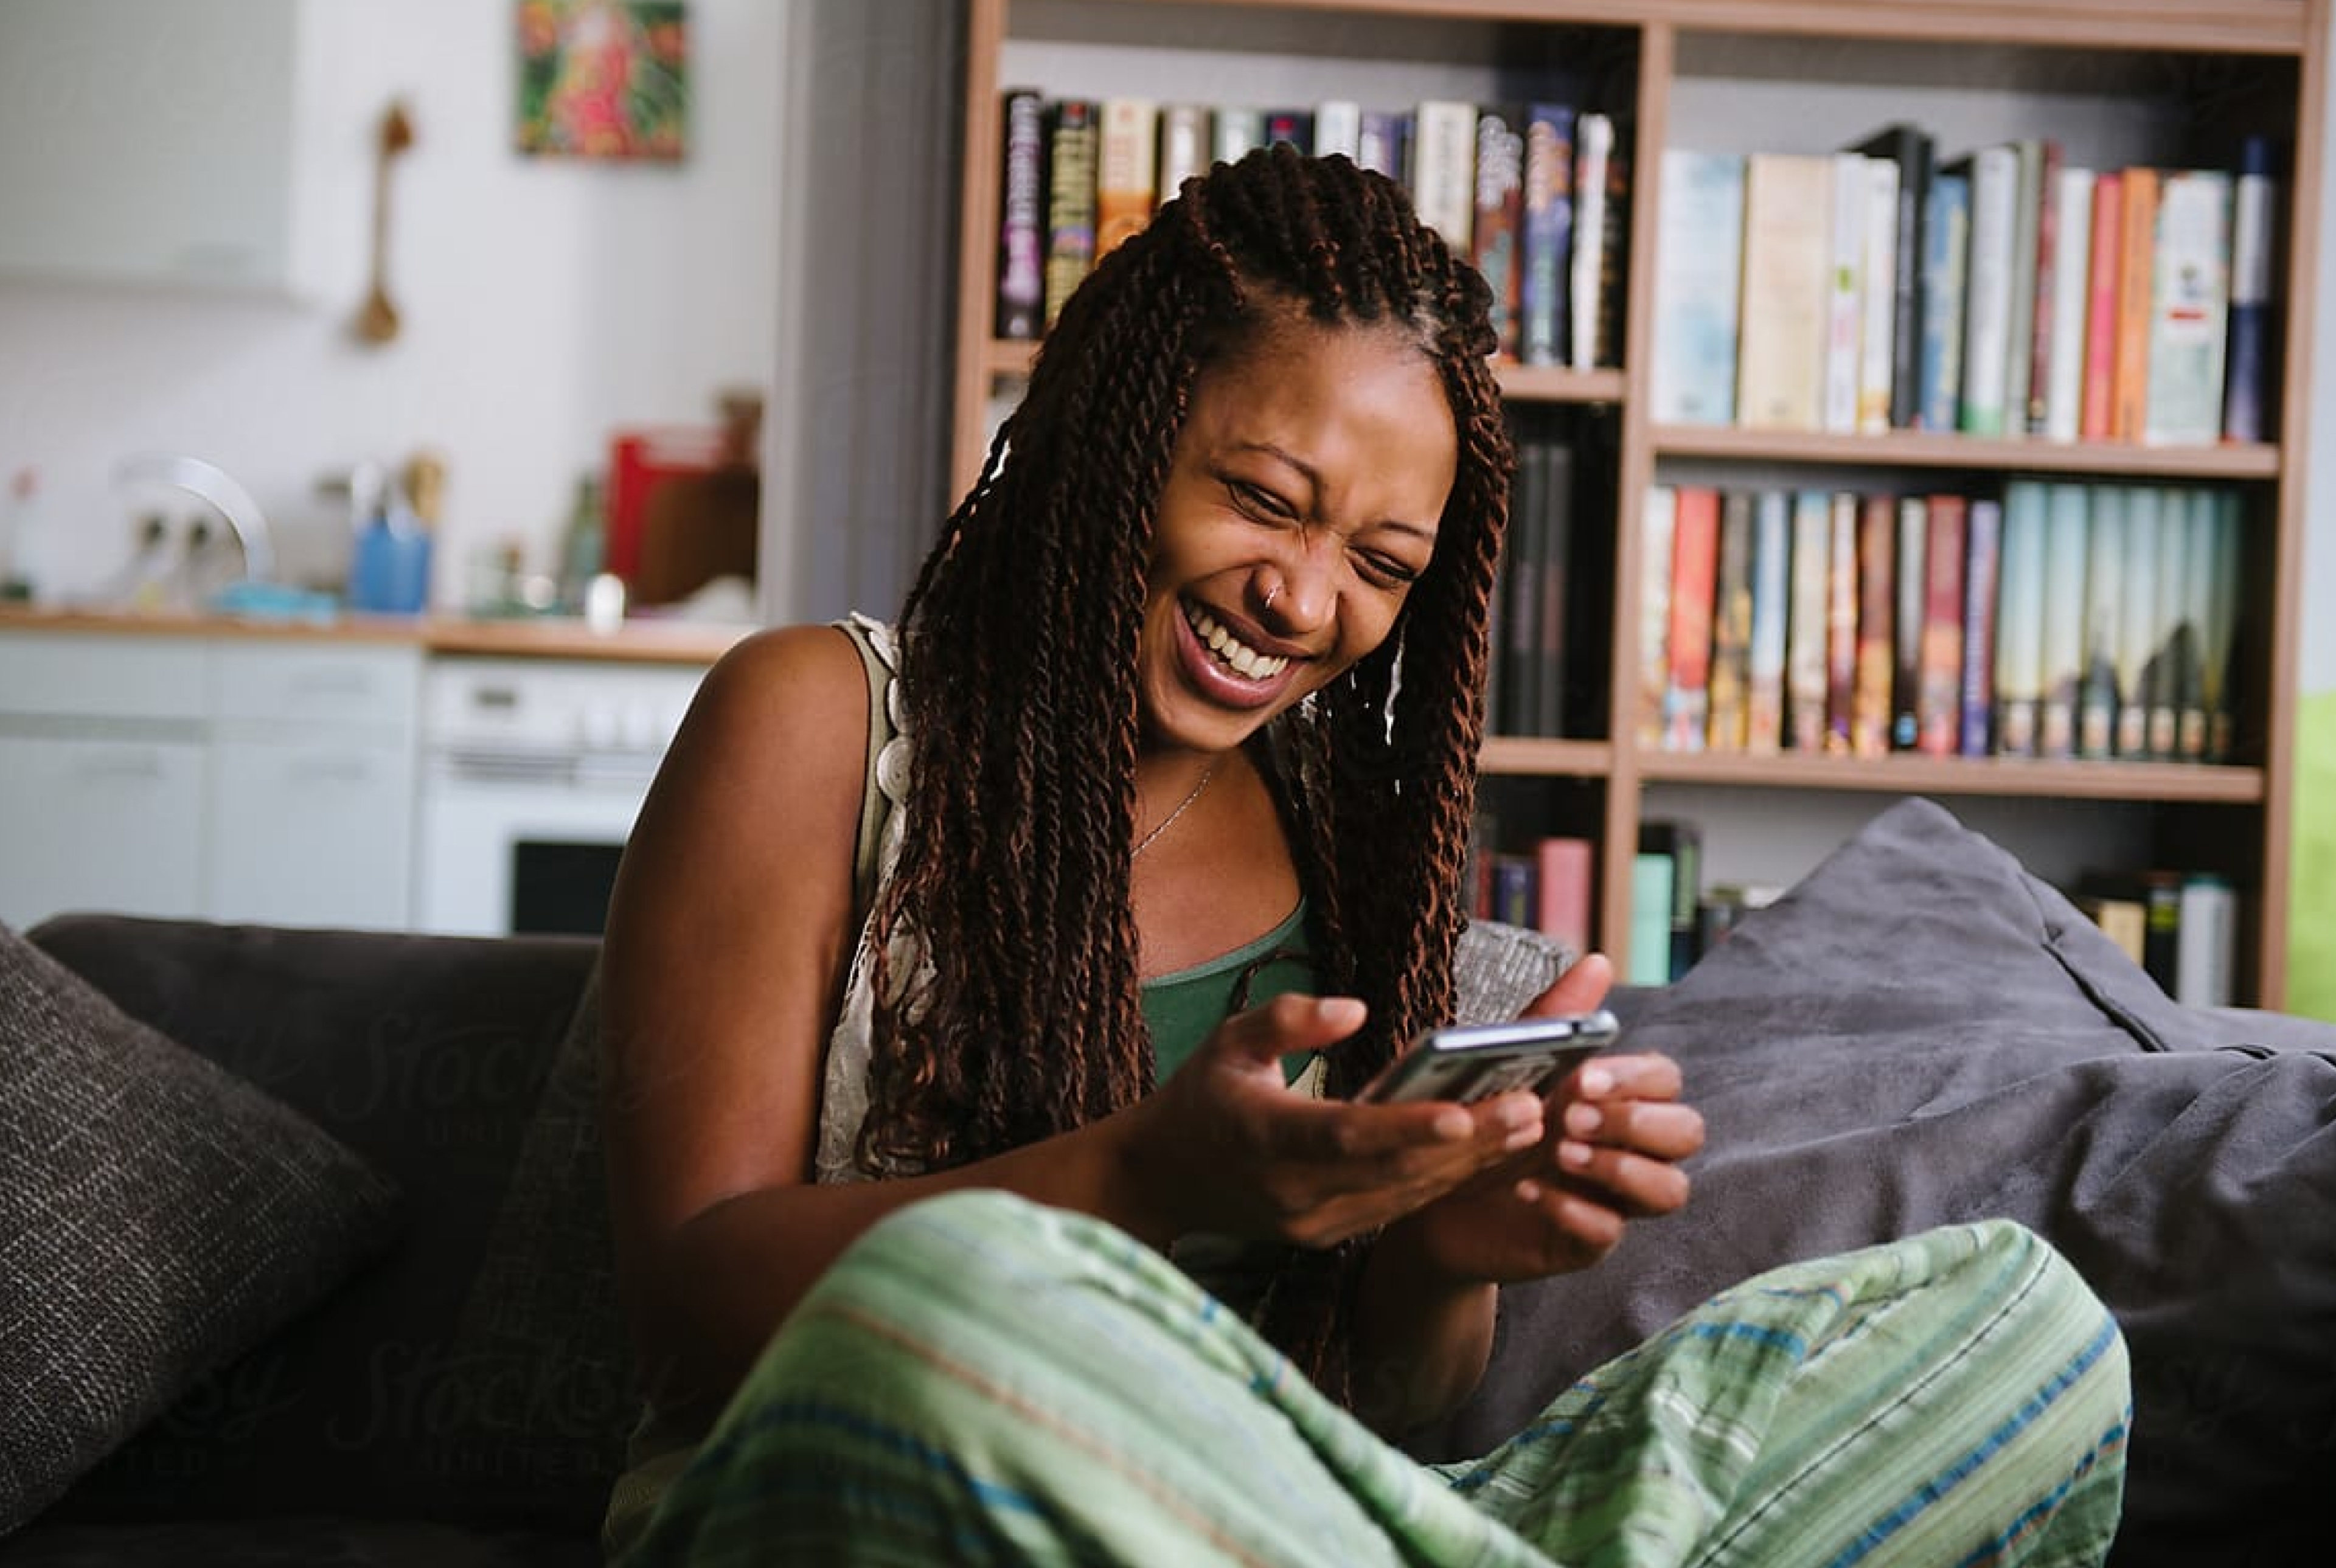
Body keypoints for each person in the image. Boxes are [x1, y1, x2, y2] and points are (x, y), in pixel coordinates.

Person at [596, 145, 2130, 1565]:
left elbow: (1385, 1411)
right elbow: (679, 1311)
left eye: (1382, 563)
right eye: (1265, 499)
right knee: (958, 1293)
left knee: (2022, 1324)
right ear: (1108, 436)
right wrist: (1135, 1174)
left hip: (1278, 1513)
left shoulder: (1360, 864)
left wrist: (1452, 1251)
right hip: (861, 1484)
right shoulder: (820, 721)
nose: (1304, 599)